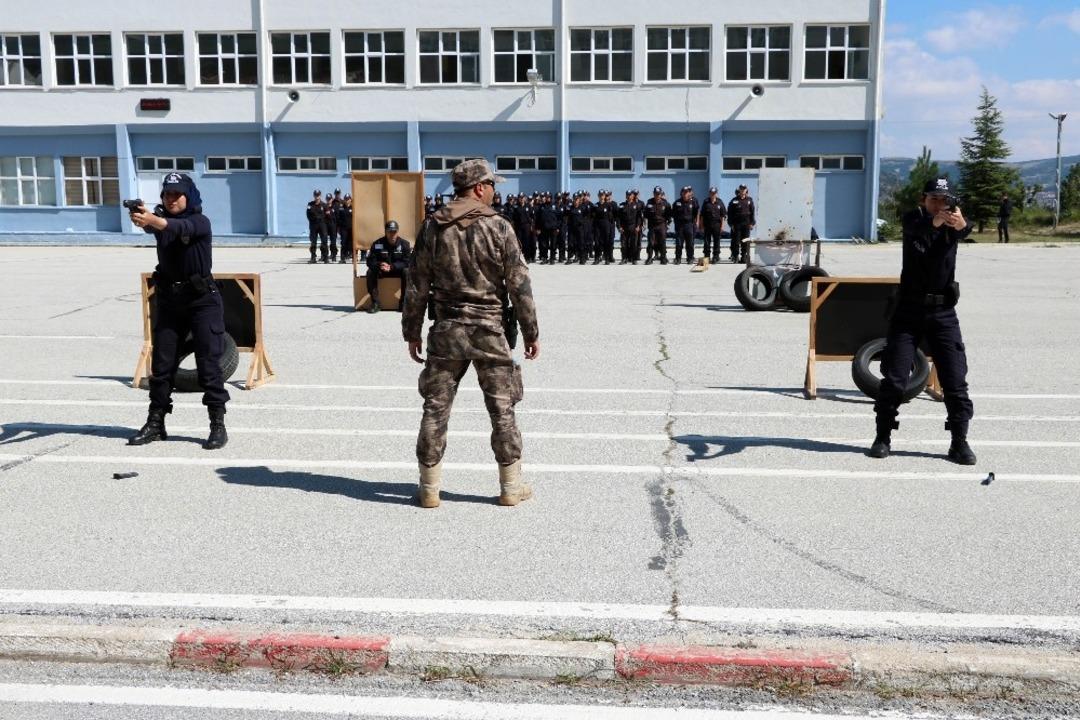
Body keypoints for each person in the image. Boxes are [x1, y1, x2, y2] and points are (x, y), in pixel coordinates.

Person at [402, 158, 540, 508]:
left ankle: (429, 489)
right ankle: (510, 487)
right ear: (479, 188)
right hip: (488, 330)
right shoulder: (499, 227)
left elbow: (416, 283)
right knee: (502, 409)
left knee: (435, 408)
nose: (494, 191)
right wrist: (531, 332)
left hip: (446, 331)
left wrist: (412, 331)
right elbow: (519, 284)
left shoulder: (433, 227)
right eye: (492, 185)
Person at [869, 178, 976, 465]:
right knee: (895, 378)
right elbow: (917, 234)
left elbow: (967, 229)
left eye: (944, 200)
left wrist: (961, 223)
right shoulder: (913, 220)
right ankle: (882, 436)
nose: (939, 205)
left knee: (955, 379)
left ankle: (959, 441)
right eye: (933, 199)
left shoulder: (952, 222)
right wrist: (936, 222)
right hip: (909, 310)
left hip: (943, 312)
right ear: (923, 199)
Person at [127, 172, 229, 450]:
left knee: (209, 366)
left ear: (189, 196)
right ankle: (156, 423)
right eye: (167, 194)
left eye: (177, 194)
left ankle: (217, 424)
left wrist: (152, 220)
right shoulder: (159, 219)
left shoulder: (200, 221)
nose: (171, 199)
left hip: (202, 301)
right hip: (170, 301)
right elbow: (156, 226)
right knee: (161, 367)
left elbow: (175, 227)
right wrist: (142, 217)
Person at [365, 220, 411, 314]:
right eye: (390, 232)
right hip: (382, 271)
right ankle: (375, 303)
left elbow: (408, 262)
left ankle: (403, 302)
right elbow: (370, 261)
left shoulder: (404, 244)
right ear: (385, 232)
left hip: (397, 270)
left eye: (394, 232)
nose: (392, 234)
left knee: (407, 272)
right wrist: (379, 265)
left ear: (397, 232)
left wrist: (393, 266)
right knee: (370, 272)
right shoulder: (377, 243)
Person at [671, 186, 699, 264]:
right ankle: (678, 258)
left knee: (690, 243)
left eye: (687, 192)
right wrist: (676, 223)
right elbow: (673, 214)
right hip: (680, 226)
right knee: (679, 243)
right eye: (684, 192)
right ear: (681, 193)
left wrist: (696, 222)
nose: (686, 194)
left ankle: (690, 258)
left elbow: (696, 213)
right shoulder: (677, 203)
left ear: (689, 193)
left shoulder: (693, 202)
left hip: (689, 225)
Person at [727, 185, 755, 263]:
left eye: (744, 189)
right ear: (739, 190)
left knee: (745, 241)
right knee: (736, 241)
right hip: (737, 224)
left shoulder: (749, 200)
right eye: (741, 189)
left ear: (746, 190)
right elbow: (729, 213)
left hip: (746, 224)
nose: (742, 191)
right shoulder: (734, 200)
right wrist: (731, 224)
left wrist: (752, 223)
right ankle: (735, 256)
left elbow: (752, 212)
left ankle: (743, 257)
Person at [645, 186, 671, 265]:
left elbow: (669, 215)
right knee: (651, 243)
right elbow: (645, 214)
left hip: (661, 225)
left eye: (658, 194)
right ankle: (649, 258)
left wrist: (667, 224)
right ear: (653, 194)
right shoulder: (649, 202)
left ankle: (663, 258)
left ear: (661, 194)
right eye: (656, 194)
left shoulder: (665, 203)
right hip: (652, 225)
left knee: (662, 242)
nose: (657, 195)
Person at [700, 186, 727, 262]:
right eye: (711, 193)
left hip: (717, 225)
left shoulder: (720, 202)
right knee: (706, 241)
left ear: (716, 194)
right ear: (709, 193)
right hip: (707, 225)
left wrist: (722, 226)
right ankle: (707, 256)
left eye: (714, 193)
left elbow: (723, 216)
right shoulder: (706, 202)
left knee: (716, 241)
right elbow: (702, 215)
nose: (713, 195)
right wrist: (701, 226)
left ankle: (716, 256)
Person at [306, 190, 328, 264]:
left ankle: (325, 257)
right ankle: (313, 257)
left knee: (324, 241)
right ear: (314, 196)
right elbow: (308, 215)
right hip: (313, 225)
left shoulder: (324, 205)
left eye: (318, 195)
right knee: (313, 242)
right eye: (315, 195)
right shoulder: (310, 204)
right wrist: (313, 220)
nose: (317, 197)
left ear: (320, 196)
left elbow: (327, 216)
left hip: (322, 225)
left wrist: (323, 222)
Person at [337, 194, 353, 263]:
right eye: (346, 199)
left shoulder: (353, 208)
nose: (347, 200)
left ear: (350, 200)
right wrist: (338, 228)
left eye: (348, 199)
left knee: (351, 243)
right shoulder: (341, 208)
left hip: (351, 229)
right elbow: (338, 218)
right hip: (344, 229)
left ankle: (352, 257)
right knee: (343, 243)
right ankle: (342, 258)